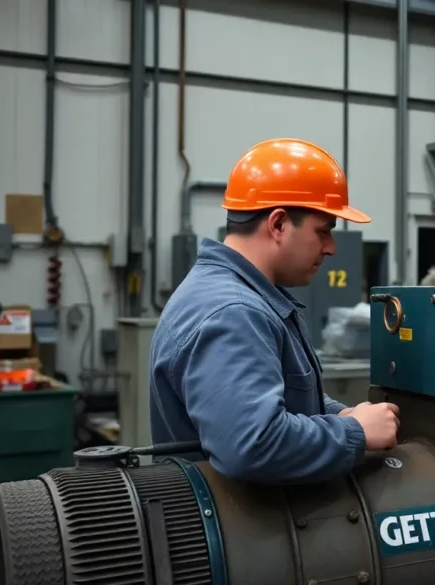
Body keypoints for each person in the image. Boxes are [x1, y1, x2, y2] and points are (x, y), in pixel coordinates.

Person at [149, 138, 400, 484]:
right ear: (279, 224)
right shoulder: (233, 311)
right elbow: (254, 444)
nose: (331, 248)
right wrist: (354, 432)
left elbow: (284, 395)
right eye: (323, 231)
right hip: (240, 531)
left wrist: (340, 414)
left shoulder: (245, 296)